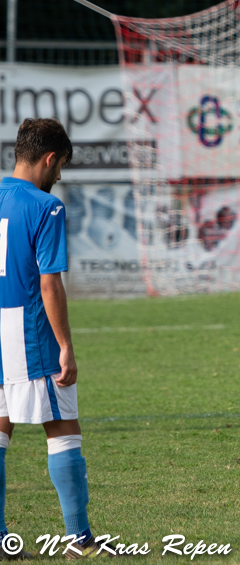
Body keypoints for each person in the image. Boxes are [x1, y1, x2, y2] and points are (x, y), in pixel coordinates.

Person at [0, 118, 104, 557]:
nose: (60, 175)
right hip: (27, 331)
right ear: (48, 158)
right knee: (62, 427)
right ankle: (80, 539)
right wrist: (65, 346)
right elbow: (50, 284)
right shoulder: (46, 207)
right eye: (60, 165)